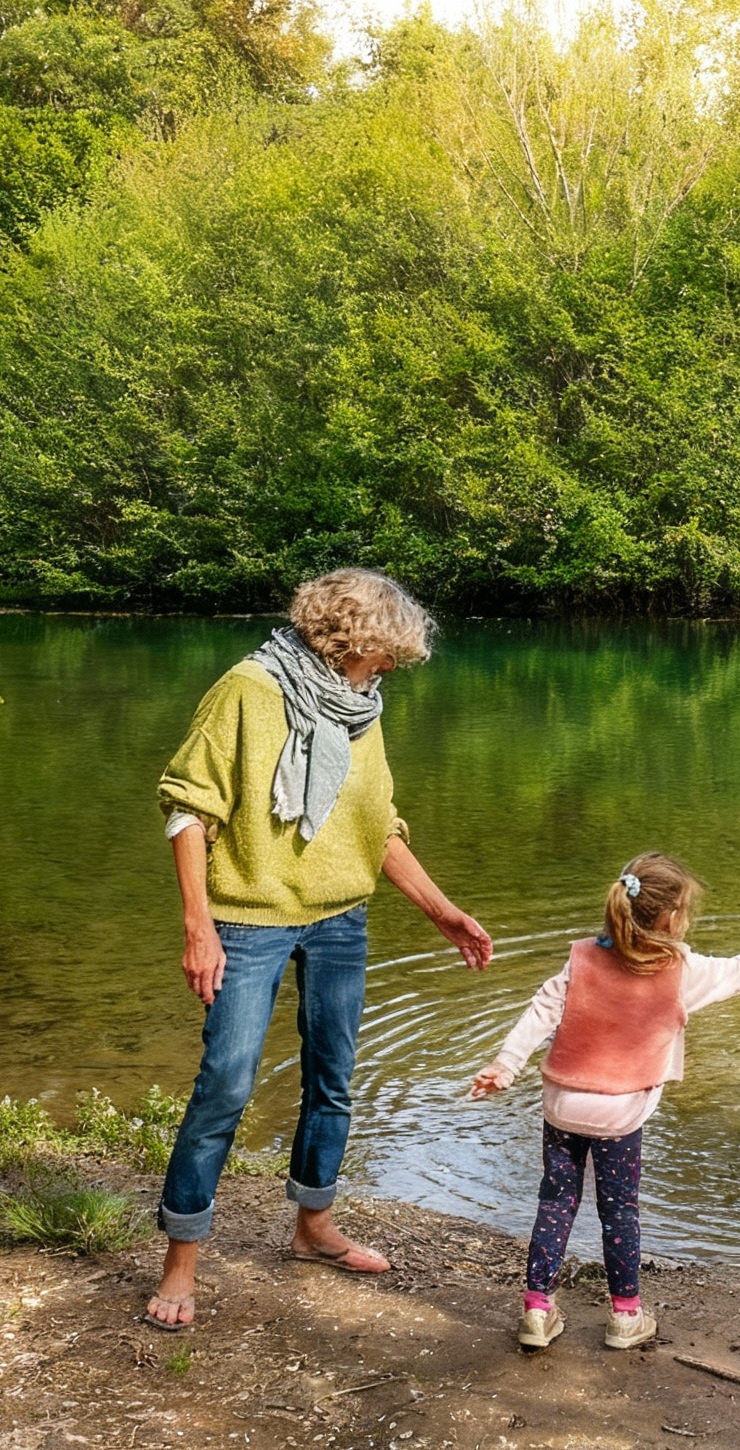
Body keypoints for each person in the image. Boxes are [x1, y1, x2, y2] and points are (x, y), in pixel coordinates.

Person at [146, 568, 494, 1330]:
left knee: (332, 1079)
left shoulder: (359, 707)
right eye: (386, 652)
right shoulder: (248, 690)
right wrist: (198, 926)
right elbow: (186, 809)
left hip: (342, 920)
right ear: (349, 638)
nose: (393, 668)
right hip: (248, 920)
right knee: (226, 1086)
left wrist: (442, 911)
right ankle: (180, 1264)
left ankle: (312, 1227)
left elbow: (377, 827)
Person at [469, 853, 740, 1350]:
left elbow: (540, 1010)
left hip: (562, 1104)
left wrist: (505, 1066)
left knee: (555, 1202)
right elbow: (739, 972)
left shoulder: (581, 958)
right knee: (619, 1212)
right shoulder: (681, 971)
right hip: (619, 1112)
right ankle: (625, 1317)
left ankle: (536, 1311)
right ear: (672, 919)